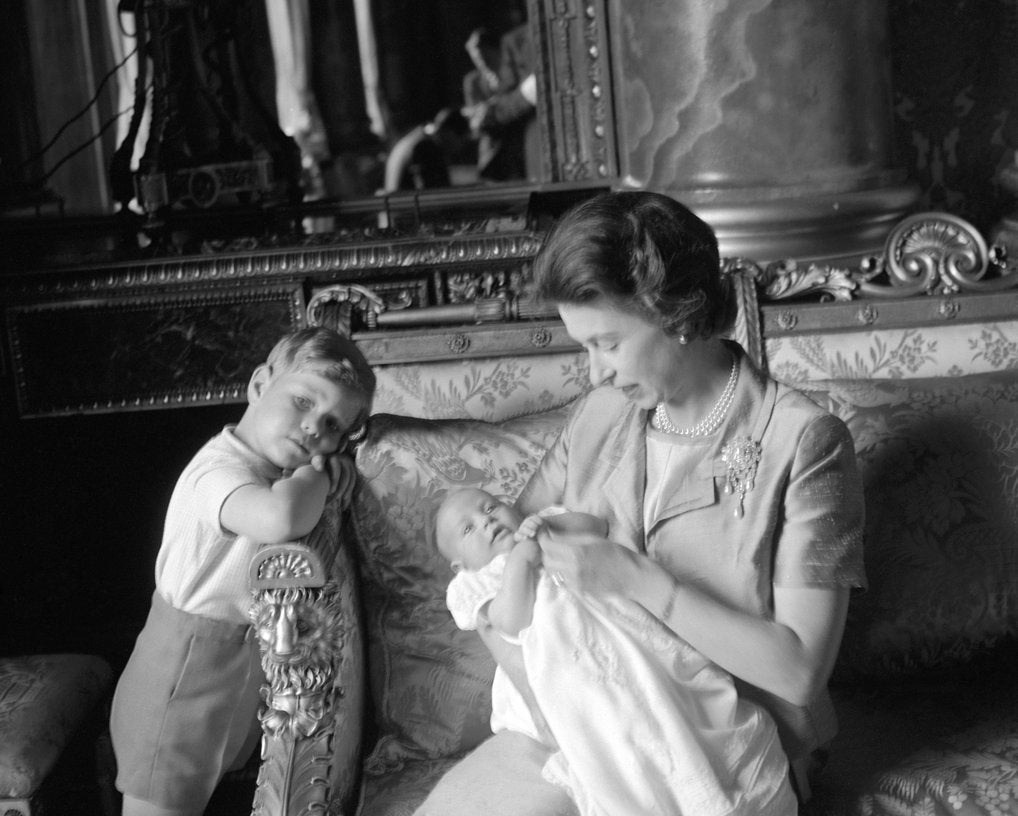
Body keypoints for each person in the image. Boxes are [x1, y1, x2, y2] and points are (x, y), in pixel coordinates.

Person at [416, 190, 865, 816]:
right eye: (583, 346)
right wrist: (564, 715)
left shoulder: (802, 442)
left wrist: (636, 580)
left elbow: (797, 671)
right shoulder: (601, 414)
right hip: (586, 724)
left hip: (724, 748)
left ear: (676, 313)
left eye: (607, 343)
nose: (594, 371)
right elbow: (490, 579)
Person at [110, 327, 376, 816]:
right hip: (181, 669)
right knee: (162, 802)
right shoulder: (219, 470)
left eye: (334, 426)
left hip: (229, 662)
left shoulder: (273, 473)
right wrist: (315, 475)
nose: (316, 429)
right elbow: (280, 519)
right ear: (258, 386)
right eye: (302, 401)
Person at [435, 487, 796, 816]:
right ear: (459, 565)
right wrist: (520, 563)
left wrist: (550, 525)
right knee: (613, 735)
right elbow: (509, 622)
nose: (485, 521)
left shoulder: (544, 524)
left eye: (490, 507)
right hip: (564, 669)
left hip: (624, 641)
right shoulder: (477, 581)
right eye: (467, 529)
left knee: (666, 701)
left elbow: (596, 525)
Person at [462, 25, 539, 182]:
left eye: (485, 56)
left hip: (520, 135)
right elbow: (476, 116)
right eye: (476, 58)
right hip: (496, 143)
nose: (482, 62)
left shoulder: (513, 68)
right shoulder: (474, 81)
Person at [382, 106, 475, 192]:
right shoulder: (425, 147)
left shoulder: (418, 137)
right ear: (450, 133)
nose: (460, 148)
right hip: (407, 208)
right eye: (461, 141)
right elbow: (430, 194)